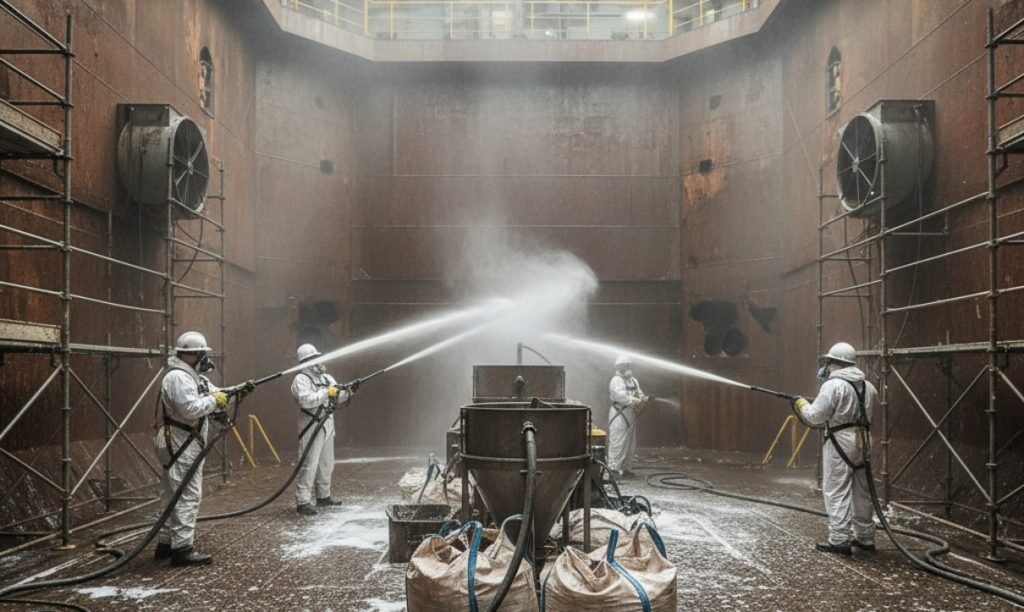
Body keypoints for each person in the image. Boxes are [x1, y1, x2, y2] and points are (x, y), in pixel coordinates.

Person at [154, 331, 252, 566]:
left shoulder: (194, 376)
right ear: (188, 353)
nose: (203, 358)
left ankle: (166, 544)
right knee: (187, 495)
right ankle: (182, 550)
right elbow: (190, 409)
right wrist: (216, 400)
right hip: (181, 442)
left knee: (172, 495)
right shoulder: (178, 377)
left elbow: (216, 394)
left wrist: (236, 392)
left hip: (185, 441)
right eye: (200, 353)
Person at [792, 341, 878, 556]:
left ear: (836, 362)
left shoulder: (833, 385)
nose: (826, 367)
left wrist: (801, 404)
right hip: (864, 439)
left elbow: (815, 417)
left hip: (840, 439)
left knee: (837, 489)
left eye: (828, 362)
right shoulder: (868, 386)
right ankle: (865, 538)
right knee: (862, 490)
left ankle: (839, 540)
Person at [291, 344, 354, 516]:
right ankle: (303, 501)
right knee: (309, 464)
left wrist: (347, 392)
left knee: (327, 463)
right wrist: (327, 393)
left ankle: (323, 496)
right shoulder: (301, 379)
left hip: (327, 422)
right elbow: (305, 400)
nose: (317, 361)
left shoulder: (327, 378)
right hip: (311, 424)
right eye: (312, 358)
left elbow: (338, 398)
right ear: (305, 362)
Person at [607, 355, 647, 479]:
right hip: (619, 413)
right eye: (625, 365)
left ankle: (626, 468)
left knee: (630, 442)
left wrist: (643, 397)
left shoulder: (633, 380)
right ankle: (613, 468)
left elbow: (639, 392)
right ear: (619, 367)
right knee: (618, 440)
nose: (627, 367)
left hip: (630, 413)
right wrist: (636, 400)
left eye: (628, 365)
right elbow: (621, 397)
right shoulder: (616, 380)